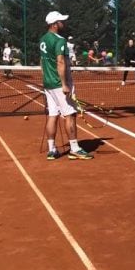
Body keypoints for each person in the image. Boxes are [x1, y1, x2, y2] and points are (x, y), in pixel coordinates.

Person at [40, 11, 93, 161]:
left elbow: (42, 61)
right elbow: (61, 62)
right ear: (55, 24)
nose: (64, 23)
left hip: (48, 83)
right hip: (58, 83)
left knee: (52, 115)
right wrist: (64, 84)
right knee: (69, 114)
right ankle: (75, 148)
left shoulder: (43, 39)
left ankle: (52, 150)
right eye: (61, 21)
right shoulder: (60, 40)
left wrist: (45, 79)